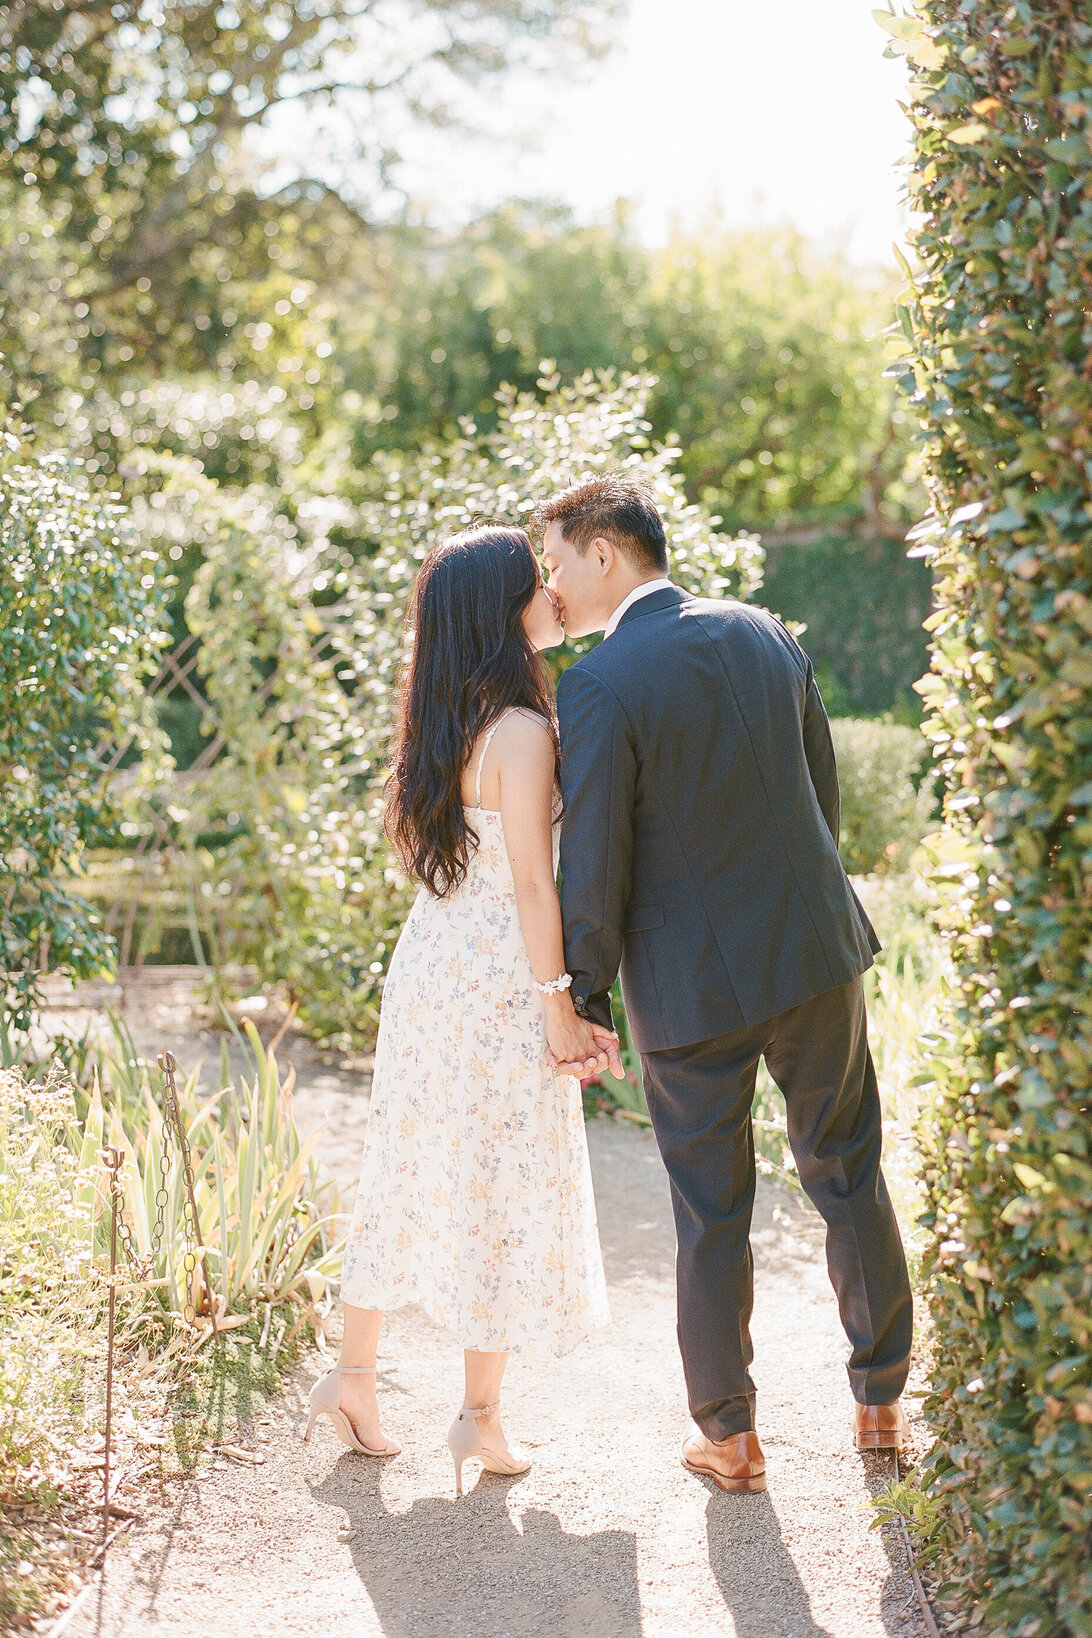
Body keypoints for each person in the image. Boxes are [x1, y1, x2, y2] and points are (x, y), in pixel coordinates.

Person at [538, 475, 913, 1495]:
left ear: (606, 553)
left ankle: (732, 1437)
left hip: (689, 984)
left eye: (557, 561)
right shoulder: (766, 634)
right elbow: (818, 798)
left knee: (710, 1206)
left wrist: (586, 995)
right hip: (811, 954)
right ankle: (881, 1403)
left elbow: (597, 862)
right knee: (846, 1170)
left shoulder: (600, 684)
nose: (553, 584)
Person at [305, 525, 619, 1493]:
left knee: (406, 1167)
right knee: (502, 1187)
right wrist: (559, 1007)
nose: (550, 591)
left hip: (431, 970)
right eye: (535, 582)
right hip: (496, 982)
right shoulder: (522, 732)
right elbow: (533, 884)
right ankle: (479, 1417)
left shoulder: (444, 721)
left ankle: (353, 1376)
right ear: (500, 612)